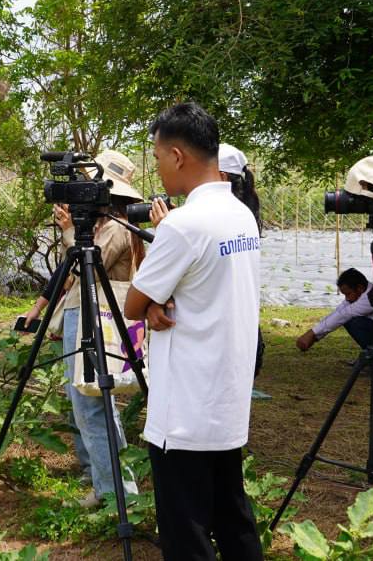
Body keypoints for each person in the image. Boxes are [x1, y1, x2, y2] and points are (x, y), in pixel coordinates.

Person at [125, 103, 263, 560]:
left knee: (187, 535)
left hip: (183, 411)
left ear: (179, 155)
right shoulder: (241, 216)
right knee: (233, 518)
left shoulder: (183, 225)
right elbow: (204, 286)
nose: (158, 167)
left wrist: (155, 302)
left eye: (159, 156)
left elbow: (132, 304)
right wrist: (164, 301)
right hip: (225, 400)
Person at [23, 149, 145, 507]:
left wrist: (67, 232)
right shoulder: (106, 226)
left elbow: (83, 271)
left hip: (96, 317)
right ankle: (108, 483)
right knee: (90, 404)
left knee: (92, 405)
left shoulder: (116, 229)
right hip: (85, 314)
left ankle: (115, 492)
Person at [295, 267, 373, 368]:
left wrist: (312, 333)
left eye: (348, 294)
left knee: (354, 321)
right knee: (348, 319)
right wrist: (315, 336)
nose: (347, 298)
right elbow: (339, 311)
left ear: (359, 288)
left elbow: (345, 314)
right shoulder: (365, 293)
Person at [218, 143, 267, 379]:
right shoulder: (247, 216)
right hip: (246, 326)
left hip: (222, 330)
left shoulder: (219, 218)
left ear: (221, 176)